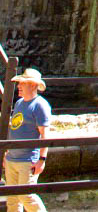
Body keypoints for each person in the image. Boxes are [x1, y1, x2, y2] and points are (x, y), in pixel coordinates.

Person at [3, 67, 52, 212]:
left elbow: (45, 135)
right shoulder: (19, 103)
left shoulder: (40, 105)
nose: (18, 86)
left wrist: (42, 159)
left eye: (22, 83)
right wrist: (7, 152)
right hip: (12, 158)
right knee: (12, 199)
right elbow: (15, 129)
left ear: (32, 85)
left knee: (26, 196)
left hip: (27, 160)